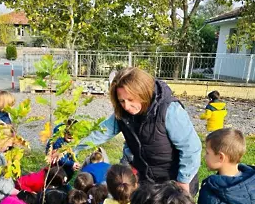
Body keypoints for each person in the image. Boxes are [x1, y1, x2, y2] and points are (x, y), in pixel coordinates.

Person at [75, 67, 202, 195]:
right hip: (147, 180)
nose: (126, 106)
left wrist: (183, 182)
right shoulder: (122, 113)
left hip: (174, 181)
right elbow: (99, 133)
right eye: (121, 101)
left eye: (130, 100)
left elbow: (191, 149)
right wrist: (69, 147)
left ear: (143, 93)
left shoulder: (169, 110)